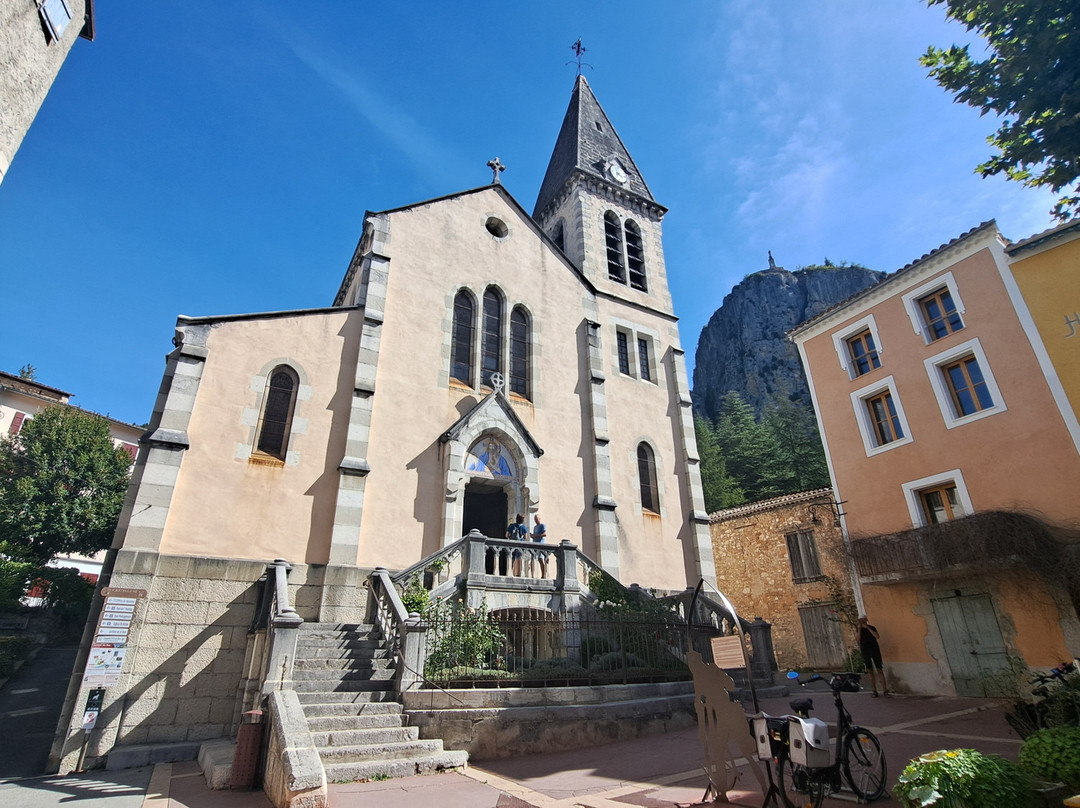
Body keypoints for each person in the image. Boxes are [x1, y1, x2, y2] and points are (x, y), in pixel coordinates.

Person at [858, 615, 890, 697]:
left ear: (866, 619)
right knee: (870, 671)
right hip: (865, 651)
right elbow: (857, 639)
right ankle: (874, 691)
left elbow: (877, 636)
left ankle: (885, 690)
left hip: (874, 650)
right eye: (861, 620)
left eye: (863, 620)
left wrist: (867, 628)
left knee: (879, 669)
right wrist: (859, 629)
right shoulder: (859, 630)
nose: (862, 621)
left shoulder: (872, 627)